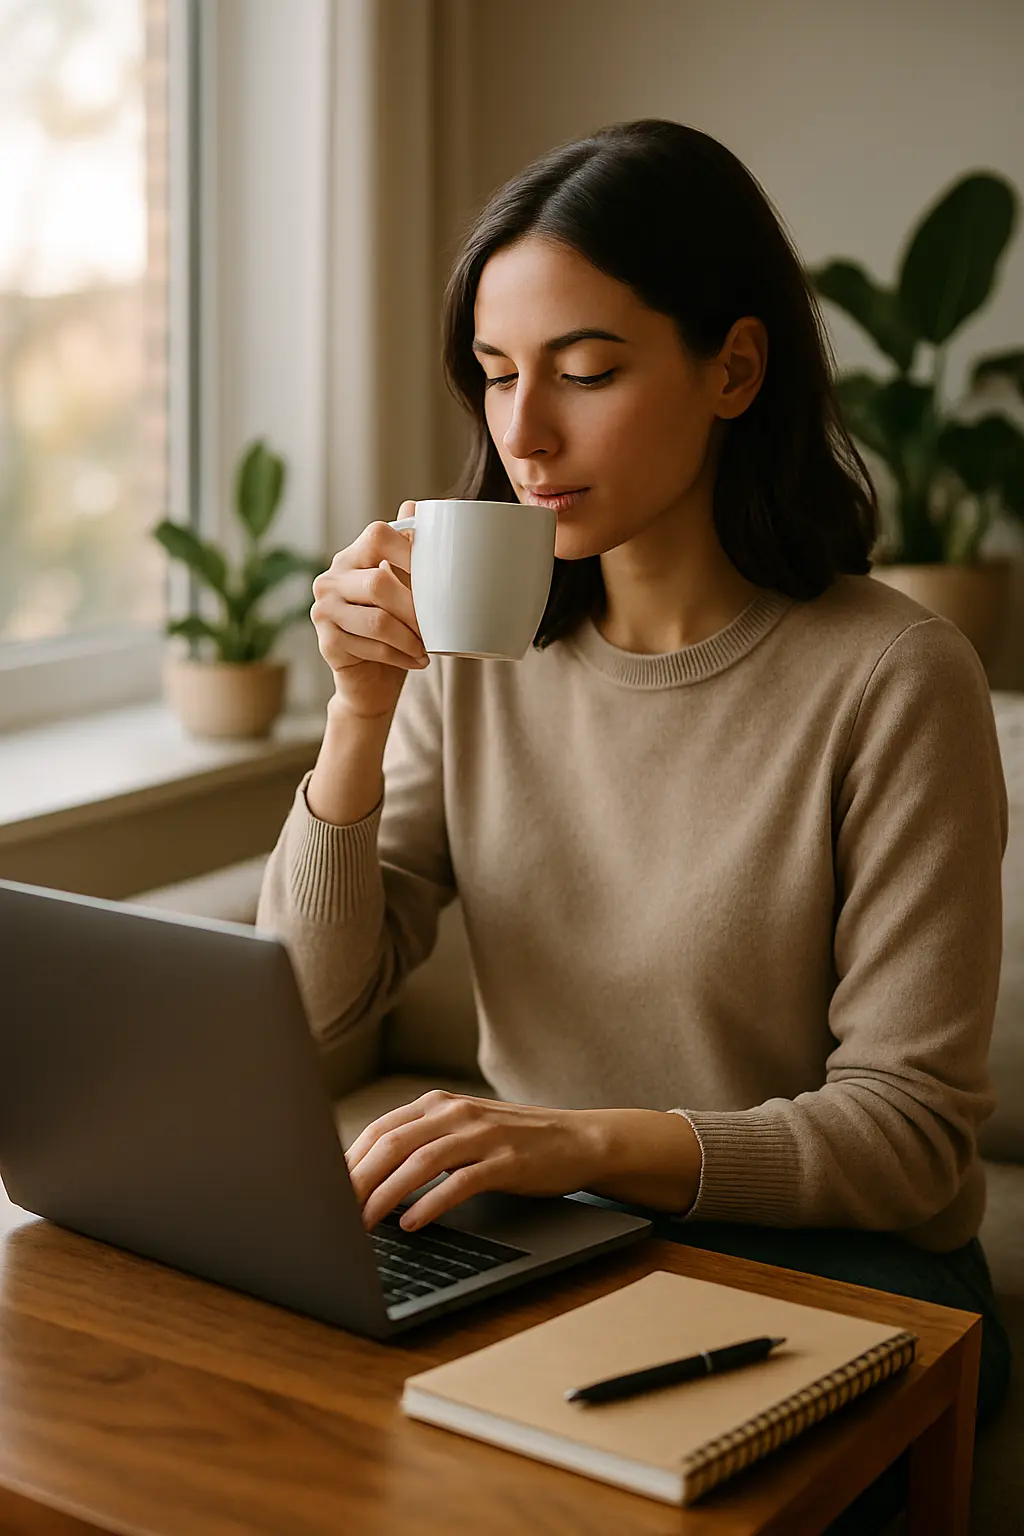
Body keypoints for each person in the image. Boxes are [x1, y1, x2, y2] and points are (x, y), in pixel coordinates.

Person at [257, 119, 1011, 1530]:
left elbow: (910, 1141)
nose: (523, 436)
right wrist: (357, 715)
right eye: (495, 377)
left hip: (834, 1271)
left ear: (734, 367)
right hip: (546, 1237)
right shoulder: (476, 659)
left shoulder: (896, 678)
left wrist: (582, 1143)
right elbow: (305, 1015)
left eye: (586, 372)